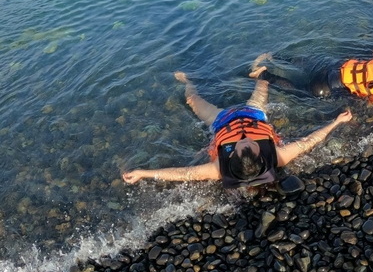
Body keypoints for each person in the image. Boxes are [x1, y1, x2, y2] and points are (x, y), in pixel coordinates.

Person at [122, 69, 352, 190]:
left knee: (192, 99)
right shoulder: (277, 157)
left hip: (220, 121)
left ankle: (187, 81)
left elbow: (184, 174)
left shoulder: (218, 169)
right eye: (248, 144)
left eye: (240, 146)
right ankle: (258, 71)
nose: (244, 140)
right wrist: (336, 122)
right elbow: (308, 142)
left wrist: (144, 173)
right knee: (263, 85)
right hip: (253, 115)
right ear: (259, 153)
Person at [252, 46, 373, 103]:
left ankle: (275, 55)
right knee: (298, 90)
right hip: (324, 88)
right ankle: (265, 76)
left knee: (304, 64)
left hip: (334, 68)